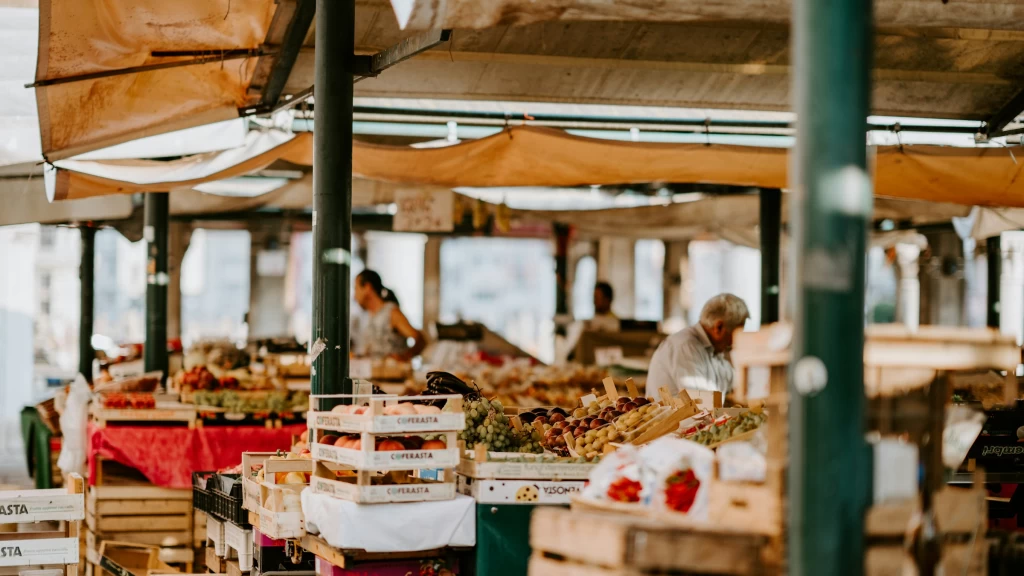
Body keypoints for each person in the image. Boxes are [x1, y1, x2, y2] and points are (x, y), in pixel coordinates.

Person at [646, 293, 750, 400]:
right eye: (736, 333)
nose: (736, 341)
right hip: (675, 416)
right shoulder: (685, 346)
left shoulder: (714, 351)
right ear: (719, 327)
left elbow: (736, 383)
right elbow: (702, 403)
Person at [353, 269, 426, 361]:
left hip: (393, 374)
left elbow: (420, 339)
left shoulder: (391, 312)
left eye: (356, 288)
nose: (354, 296)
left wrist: (405, 356)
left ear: (367, 287)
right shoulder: (368, 316)